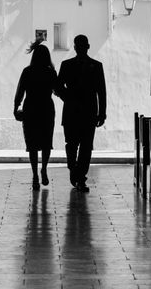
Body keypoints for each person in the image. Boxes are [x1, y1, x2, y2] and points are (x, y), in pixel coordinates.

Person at [57, 34, 106, 192]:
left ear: (77, 47)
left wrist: (68, 98)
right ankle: (76, 173)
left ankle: (78, 175)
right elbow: (101, 92)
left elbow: (101, 92)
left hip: (79, 113)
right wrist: (101, 112)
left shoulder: (70, 65)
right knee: (77, 146)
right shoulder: (93, 66)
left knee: (81, 146)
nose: (81, 48)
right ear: (86, 46)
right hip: (82, 112)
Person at [14, 40, 62, 190]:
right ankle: (44, 169)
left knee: (32, 145)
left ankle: (35, 175)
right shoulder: (50, 72)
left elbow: (20, 91)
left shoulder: (27, 71)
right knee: (47, 142)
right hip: (46, 109)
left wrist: (16, 108)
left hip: (31, 109)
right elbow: (58, 91)